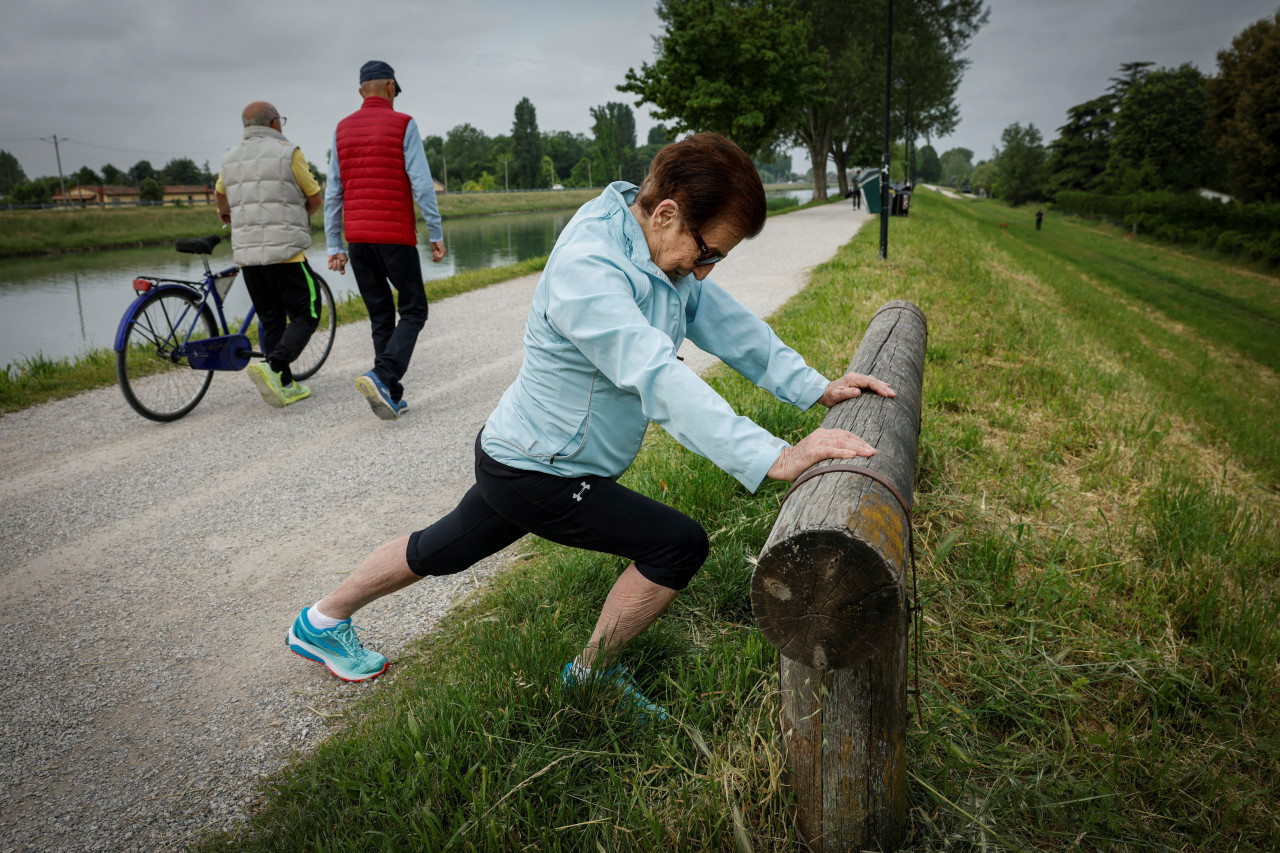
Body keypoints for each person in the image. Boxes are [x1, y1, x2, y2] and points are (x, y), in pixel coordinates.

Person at [287, 134, 894, 717]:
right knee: (676, 545)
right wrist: (772, 456)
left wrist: (815, 386)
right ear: (665, 213)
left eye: (718, 259)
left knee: (439, 550)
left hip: (520, 454)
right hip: (538, 469)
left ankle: (321, 620)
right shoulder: (590, 267)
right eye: (707, 252)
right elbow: (656, 374)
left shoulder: (658, 252)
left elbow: (728, 323)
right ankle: (591, 677)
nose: (704, 270)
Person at [324, 60, 446, 421]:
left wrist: (335, 245)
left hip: (359, 239)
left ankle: (389, 393)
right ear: (391, 87)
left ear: (362, 92)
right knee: (413, 310)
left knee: (380, 314)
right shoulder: (403, 124)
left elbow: (334, 191)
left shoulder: (342, 129)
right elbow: (422, 184)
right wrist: (435, 233)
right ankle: (382, 375)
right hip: (394, 237)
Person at [216, 101, 325, 408]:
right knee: (308, 312)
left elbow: (220, 195)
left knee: (271, 318)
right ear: (275, 123)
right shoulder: (289, 152)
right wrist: (301, 219)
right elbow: (314, 197)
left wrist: (226, 215)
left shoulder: (230, 157)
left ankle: (285, 384)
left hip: (249, 257)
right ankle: (273, 366)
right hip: (286, 253)